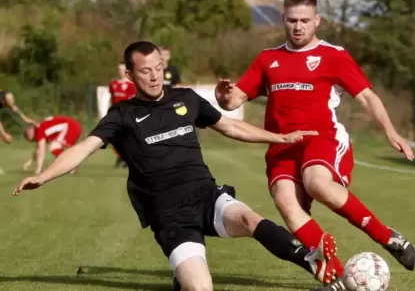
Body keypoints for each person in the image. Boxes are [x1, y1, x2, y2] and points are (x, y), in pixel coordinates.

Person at [14, 41, 333, 291]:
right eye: (145, 71)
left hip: (206, 196)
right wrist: (43, 175)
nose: (154, 76)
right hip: (169, 215)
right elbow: (84, 147)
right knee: (200, 287)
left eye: (158, 68)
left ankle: (313, 262)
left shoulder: (187, 99)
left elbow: (232, 127)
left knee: (250, 218)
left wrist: (280, 136)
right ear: (129, 75)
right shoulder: (121, 116)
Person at [215, 0, 415, 290]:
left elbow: (367, 96)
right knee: (285, 202)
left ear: (317, 20)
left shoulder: (333, 56)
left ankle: (388, 237)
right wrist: (224, 96)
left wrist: (390, 130)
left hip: (321, 139)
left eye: (305, 20)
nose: (298, 26)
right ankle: (335, 277)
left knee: (316, 182)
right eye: (293, 20)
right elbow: (233, 102)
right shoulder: (267, 60)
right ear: (283, 19)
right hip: (283, 145)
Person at [108, 62, 136, 168]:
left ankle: (127, 158)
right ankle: (122, 156)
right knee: (113, 137)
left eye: (123, 69)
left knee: (128, 137)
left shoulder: (130, 85)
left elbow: (133, 100)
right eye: (119, 69)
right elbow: (112, 98)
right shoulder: (113, 83)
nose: (121, 72)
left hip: (126, 114)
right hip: (116, 113)